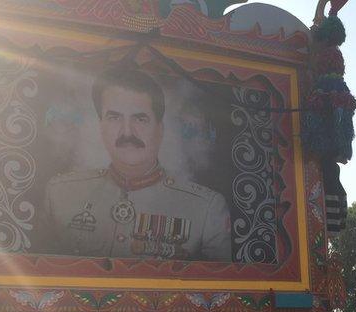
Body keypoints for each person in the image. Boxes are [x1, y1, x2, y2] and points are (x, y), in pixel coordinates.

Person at [41, 65, 231, 261]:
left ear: (160, 130)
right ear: (101, 127)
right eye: (114, 118)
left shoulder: (206, 209)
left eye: (140, 119)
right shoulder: (59, 195)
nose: (127, 133)